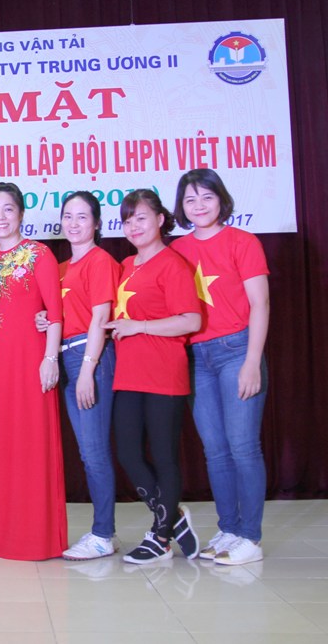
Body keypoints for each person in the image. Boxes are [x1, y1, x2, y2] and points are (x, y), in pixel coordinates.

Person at [171, 169, 270, 566]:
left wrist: (252, 361)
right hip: (197, 358)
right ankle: (228, 528)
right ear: (181, 207)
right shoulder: (177, 250)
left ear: (221, 200)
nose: (199, 206)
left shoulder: (242, 242)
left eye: (206, 197)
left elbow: (260, 304)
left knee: (243, 446)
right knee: (215, 450)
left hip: (236, 350)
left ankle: (250, 536)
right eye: (190, 199)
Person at [104, 189, 202, 564]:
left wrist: (140, 326)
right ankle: (172, 517)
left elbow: (190, 320)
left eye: (141, 218)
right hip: (128, 373)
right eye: (127, 220)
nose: (133, 226)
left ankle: (160, 538)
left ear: (160, 220)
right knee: (128, 454)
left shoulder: (172, 264)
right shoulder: (126, 265)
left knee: (163, 456)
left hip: (164, 372)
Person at [0, 182, 67, 560]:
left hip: (31, 361)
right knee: (1, 448)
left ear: (21, 214)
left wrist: (50, 358)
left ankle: (35, 537)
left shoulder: (38, 254)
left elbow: (54, 312)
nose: (0, 217)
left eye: (8, 209)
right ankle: (3, 534)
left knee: (32, 445)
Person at [47, 191, 121, 561]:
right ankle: (103, 530)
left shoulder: (100, 260)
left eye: (82, 217)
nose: (73, 224)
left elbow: (99, 319)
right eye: (68, 216)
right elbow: (61, 314)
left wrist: (88, 370)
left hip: (89, 358)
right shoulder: (60, 267)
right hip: (64, 358)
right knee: (85, 450)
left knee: (94, 451)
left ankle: (103, 534)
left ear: (96, 223)